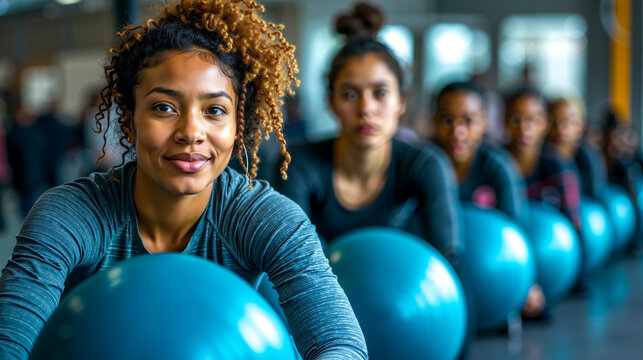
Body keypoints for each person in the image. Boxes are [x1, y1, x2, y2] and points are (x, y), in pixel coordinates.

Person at [0, 1, 368, 359]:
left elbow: (340, 343)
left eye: (215, 111)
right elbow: (9, 343)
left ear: (237, 127)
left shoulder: (269, 218)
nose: (191, 131)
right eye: (164, 107)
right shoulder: (69, 214)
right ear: (129, 120)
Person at [274, 2, 461, 262]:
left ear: (401, 101)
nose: (366, 108)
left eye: (380, 93)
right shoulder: (298, 165)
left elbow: (448, 261)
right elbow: (290, 263)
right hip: (320, 298)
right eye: (350, 94)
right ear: (331, 103)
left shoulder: (426, 165)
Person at [432, 81, 544, 322]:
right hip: (437, 276)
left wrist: (527, 282)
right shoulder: (422, 163)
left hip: (486, 270)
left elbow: (516, 229)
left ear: (484, 122)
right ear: (434, 121)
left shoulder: (498, 164)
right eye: (447, 120)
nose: (458, 131)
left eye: (469, 121)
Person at [504, 88, 582, 230]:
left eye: (532, 120)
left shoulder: (559, 166)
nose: (524, 129)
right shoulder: (494, 163)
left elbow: (574, 224)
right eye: (516, 120)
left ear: (545, 123)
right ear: (504, 121)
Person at [547, 97, 607, 200]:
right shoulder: (537, 156)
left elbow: (595, 195)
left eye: (568, 121)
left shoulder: (589, 157)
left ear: (580, 125)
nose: (560, 128)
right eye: (553, 121)